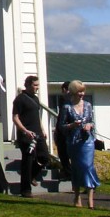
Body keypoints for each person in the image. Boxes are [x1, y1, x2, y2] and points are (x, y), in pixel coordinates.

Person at [59, 80, 100, 209]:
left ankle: (90, 199)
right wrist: (72, 125)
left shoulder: (88, 105)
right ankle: (77, 197)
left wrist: (89, 125)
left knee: (88, 167)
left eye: (83, 91)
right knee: (76, 169)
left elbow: (92, 121)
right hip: (73, 142)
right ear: (73, 92)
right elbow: (61, 126)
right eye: (79, 92)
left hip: (87, 141)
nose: (82, 94)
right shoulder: (66, 107)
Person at [12, 75, 50, 198]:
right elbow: (15, 117)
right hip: (26, 135)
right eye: (35, 85)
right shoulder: (20, 99)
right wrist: (25, 130)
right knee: (27, 161)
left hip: (38, 134)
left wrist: (43, 129)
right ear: (27, 85)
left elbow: (37, 116)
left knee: (44, 157)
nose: (37, 88)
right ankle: (25, 190)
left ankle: (32, 176)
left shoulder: (36, 99)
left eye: (38, 85)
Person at [53, 81, 72, 178]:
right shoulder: (77, 99)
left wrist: (58, 129)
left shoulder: (64, 98)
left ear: (64, 89)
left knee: (63, 152)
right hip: (73, 130)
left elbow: (61, 116)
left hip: (64, 129)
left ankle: (68, 172)